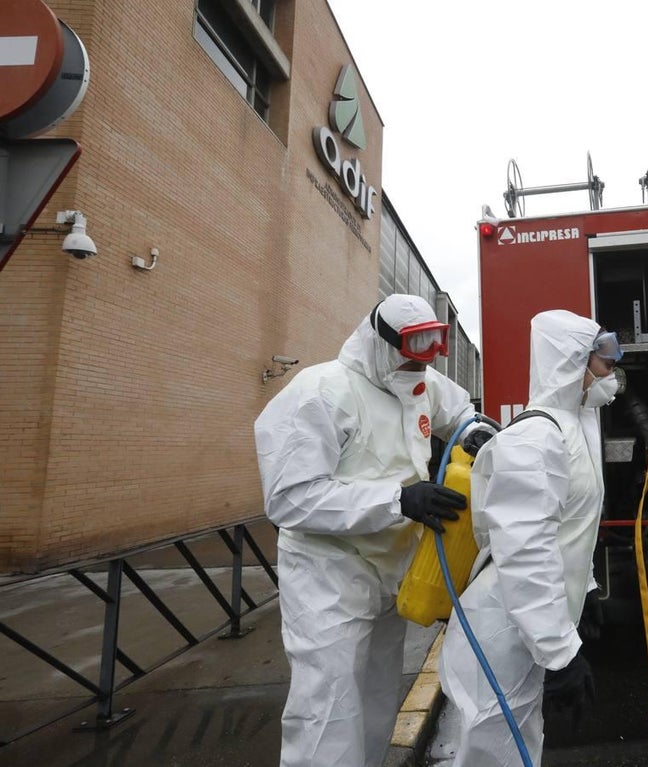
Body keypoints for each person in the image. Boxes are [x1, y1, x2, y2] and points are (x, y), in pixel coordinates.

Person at [254, 294, 492, 767]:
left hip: (391, 572)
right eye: (408, 355)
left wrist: (474, 432)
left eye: (425, 357)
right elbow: (289, 497)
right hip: (329, 576)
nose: (416, 369)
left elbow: (460, 411)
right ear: (379, 344)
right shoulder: (320, 393)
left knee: (377, 696)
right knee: (327, 706)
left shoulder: (419, 382)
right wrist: (399, 499)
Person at [438, 309, 623, 767]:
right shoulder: (535, 439)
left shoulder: (576, 426)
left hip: (527, 622)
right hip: (502, 627)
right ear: (573, 363)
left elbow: (570, 529)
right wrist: (560, 655)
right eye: (603, 359)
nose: (612, 369)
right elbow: (525, 552)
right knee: (495, 753)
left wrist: (589, 589)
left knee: (519, 745)